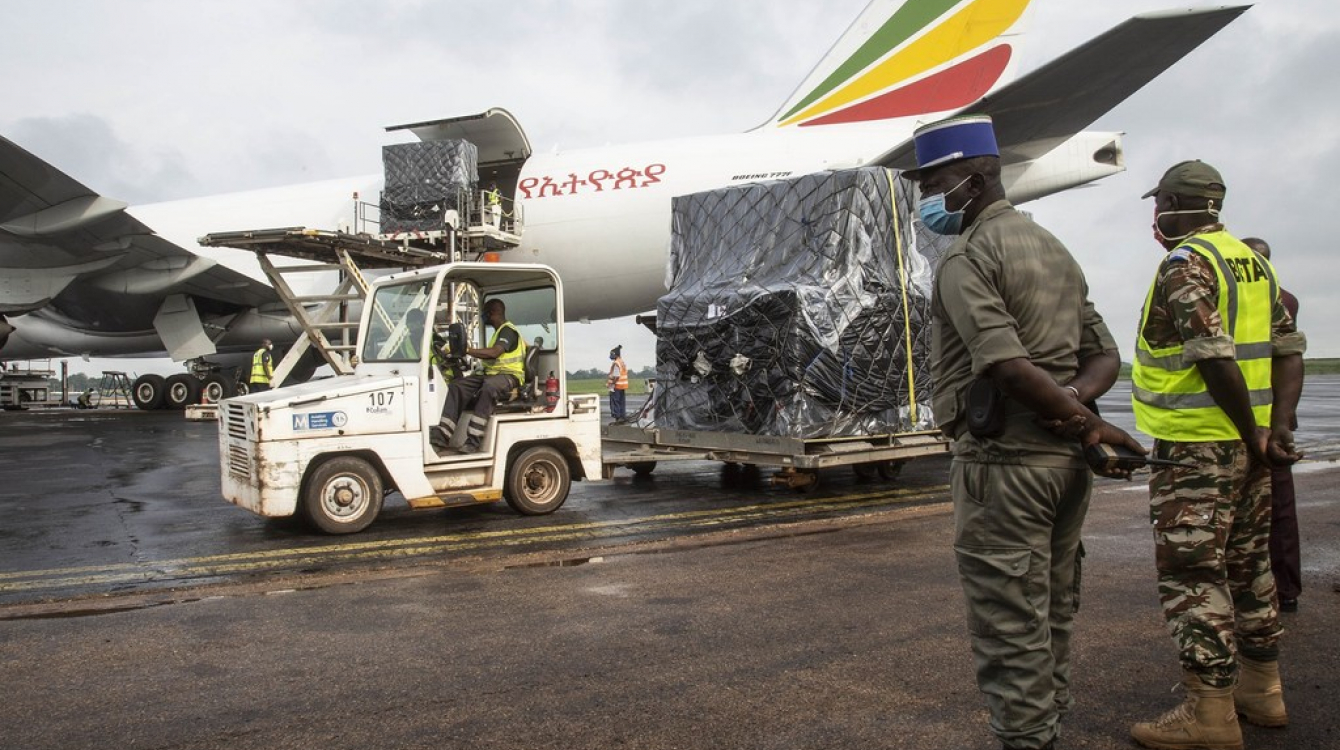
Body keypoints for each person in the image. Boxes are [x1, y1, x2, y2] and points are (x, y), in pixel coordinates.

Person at [906, 114, 1142, 750]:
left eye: (935, 183)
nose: (926, 198)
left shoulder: (966, 257)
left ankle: (1028, 739)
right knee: (1053, 611)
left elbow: (1006, 365)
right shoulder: (1054, 249)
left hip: (1003, 465)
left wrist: (1080, 419)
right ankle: (1048, 727)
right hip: (1064, 469)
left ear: (975, 180)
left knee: (1009, 625)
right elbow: (1104, 356)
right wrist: (1080, 414)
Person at [1129, 161, 1305, 750]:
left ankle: (1210, 714)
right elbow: (1289, 348)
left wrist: (1251, 428)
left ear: (1176, 203)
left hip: (1198, 449)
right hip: (1249, 450)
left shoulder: (1187, 263)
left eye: (1160, 204)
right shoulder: (1252, 262)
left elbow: (1212, 355)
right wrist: (1273, 430)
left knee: (1193, 575)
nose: (1155, 216)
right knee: (1249, 567)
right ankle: (1264, 691)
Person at [1242, 237, 1303, 614]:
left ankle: (1267, 586)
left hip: (1248, 414)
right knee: (1278, 507)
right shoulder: (1286, 298)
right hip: (1275, 413)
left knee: (1256, 507)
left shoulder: (1261, 299)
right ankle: (1285, 587)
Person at [431, 299, 526, 454]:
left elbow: (495, 352)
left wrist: (466, 350)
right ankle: (441, 437)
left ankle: (473, 441)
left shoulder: (508, 331)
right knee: (458, 386)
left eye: (484, 314)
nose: (483, 317)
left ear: (492, 313)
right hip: (492, 375)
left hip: (510, 377)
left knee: (489, 388)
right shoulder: (498, 332)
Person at [607, 345, 629, 422]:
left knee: (615, 401)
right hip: (622, 386)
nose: (610, 356)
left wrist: (611, 384)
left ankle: (618, 417)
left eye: (611, 354)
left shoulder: (616, 363)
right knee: (621, 401)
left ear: (615, 354)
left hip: (616, 386)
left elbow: (616, 376)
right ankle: (622, 416)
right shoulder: (621, 362)